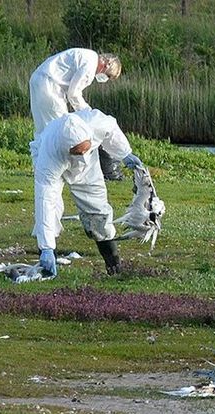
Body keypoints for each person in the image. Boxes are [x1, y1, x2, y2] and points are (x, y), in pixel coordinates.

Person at [31, 109, 143, 277]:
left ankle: (113, 262)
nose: (81, 157)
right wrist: (46, 246)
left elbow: (111, 129)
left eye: (85, 149)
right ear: (68, 148)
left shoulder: (95, 122)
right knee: (52, 210)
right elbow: (44, 199)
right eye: (77, 152)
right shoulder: (48, 157)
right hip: (58, 165)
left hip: (90, 166)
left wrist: (124, 153)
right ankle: (47, 262)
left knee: (97, 209)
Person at [29, 48, 124, 179]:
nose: (105, 79)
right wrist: (88, 113)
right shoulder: (90, 66)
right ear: (106, 64)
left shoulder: (87, 55)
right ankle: (50, 170)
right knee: (58, 130)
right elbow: (73, 94)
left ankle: (40, 167)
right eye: (108, 76)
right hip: (50, 87)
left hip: (39, 80)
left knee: (43, 129)